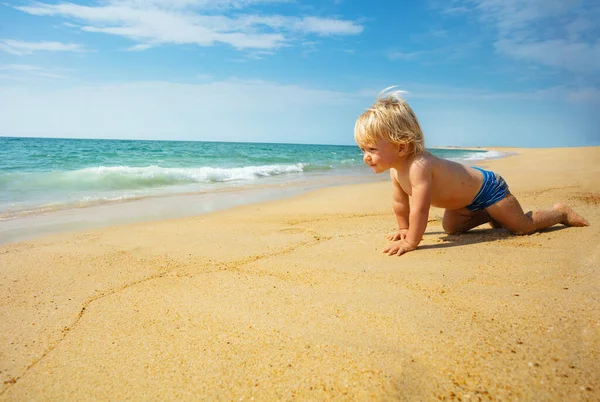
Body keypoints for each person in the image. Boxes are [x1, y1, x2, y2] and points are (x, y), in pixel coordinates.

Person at [354, 88, 589, 257]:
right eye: (363, 149)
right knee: (451, 228)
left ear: (401, 146)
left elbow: (420, 208)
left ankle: (559, 213)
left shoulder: (419, 166)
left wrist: (411, 242)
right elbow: (401, 205)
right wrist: (403, 229)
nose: (366, 156)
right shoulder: (396, 171)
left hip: (487, 189)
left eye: (372, 149)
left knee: (521, 227)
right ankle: (491, 215)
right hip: (464, 202)